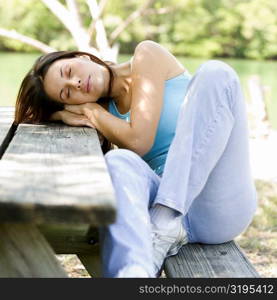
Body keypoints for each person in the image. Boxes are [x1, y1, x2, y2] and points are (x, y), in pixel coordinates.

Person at [15, 40, 258, 278]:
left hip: (215, 203)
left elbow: (140, 141)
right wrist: (62, 114)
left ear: (82, 56)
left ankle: (166, 219)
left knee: (217, 73)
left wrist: (91, 111)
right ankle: (132, 273)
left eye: (68, 71)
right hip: (158, 210)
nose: (76, 83)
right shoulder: (106, 115)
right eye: (67, 93)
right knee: (119, 161)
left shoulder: (146, 55)